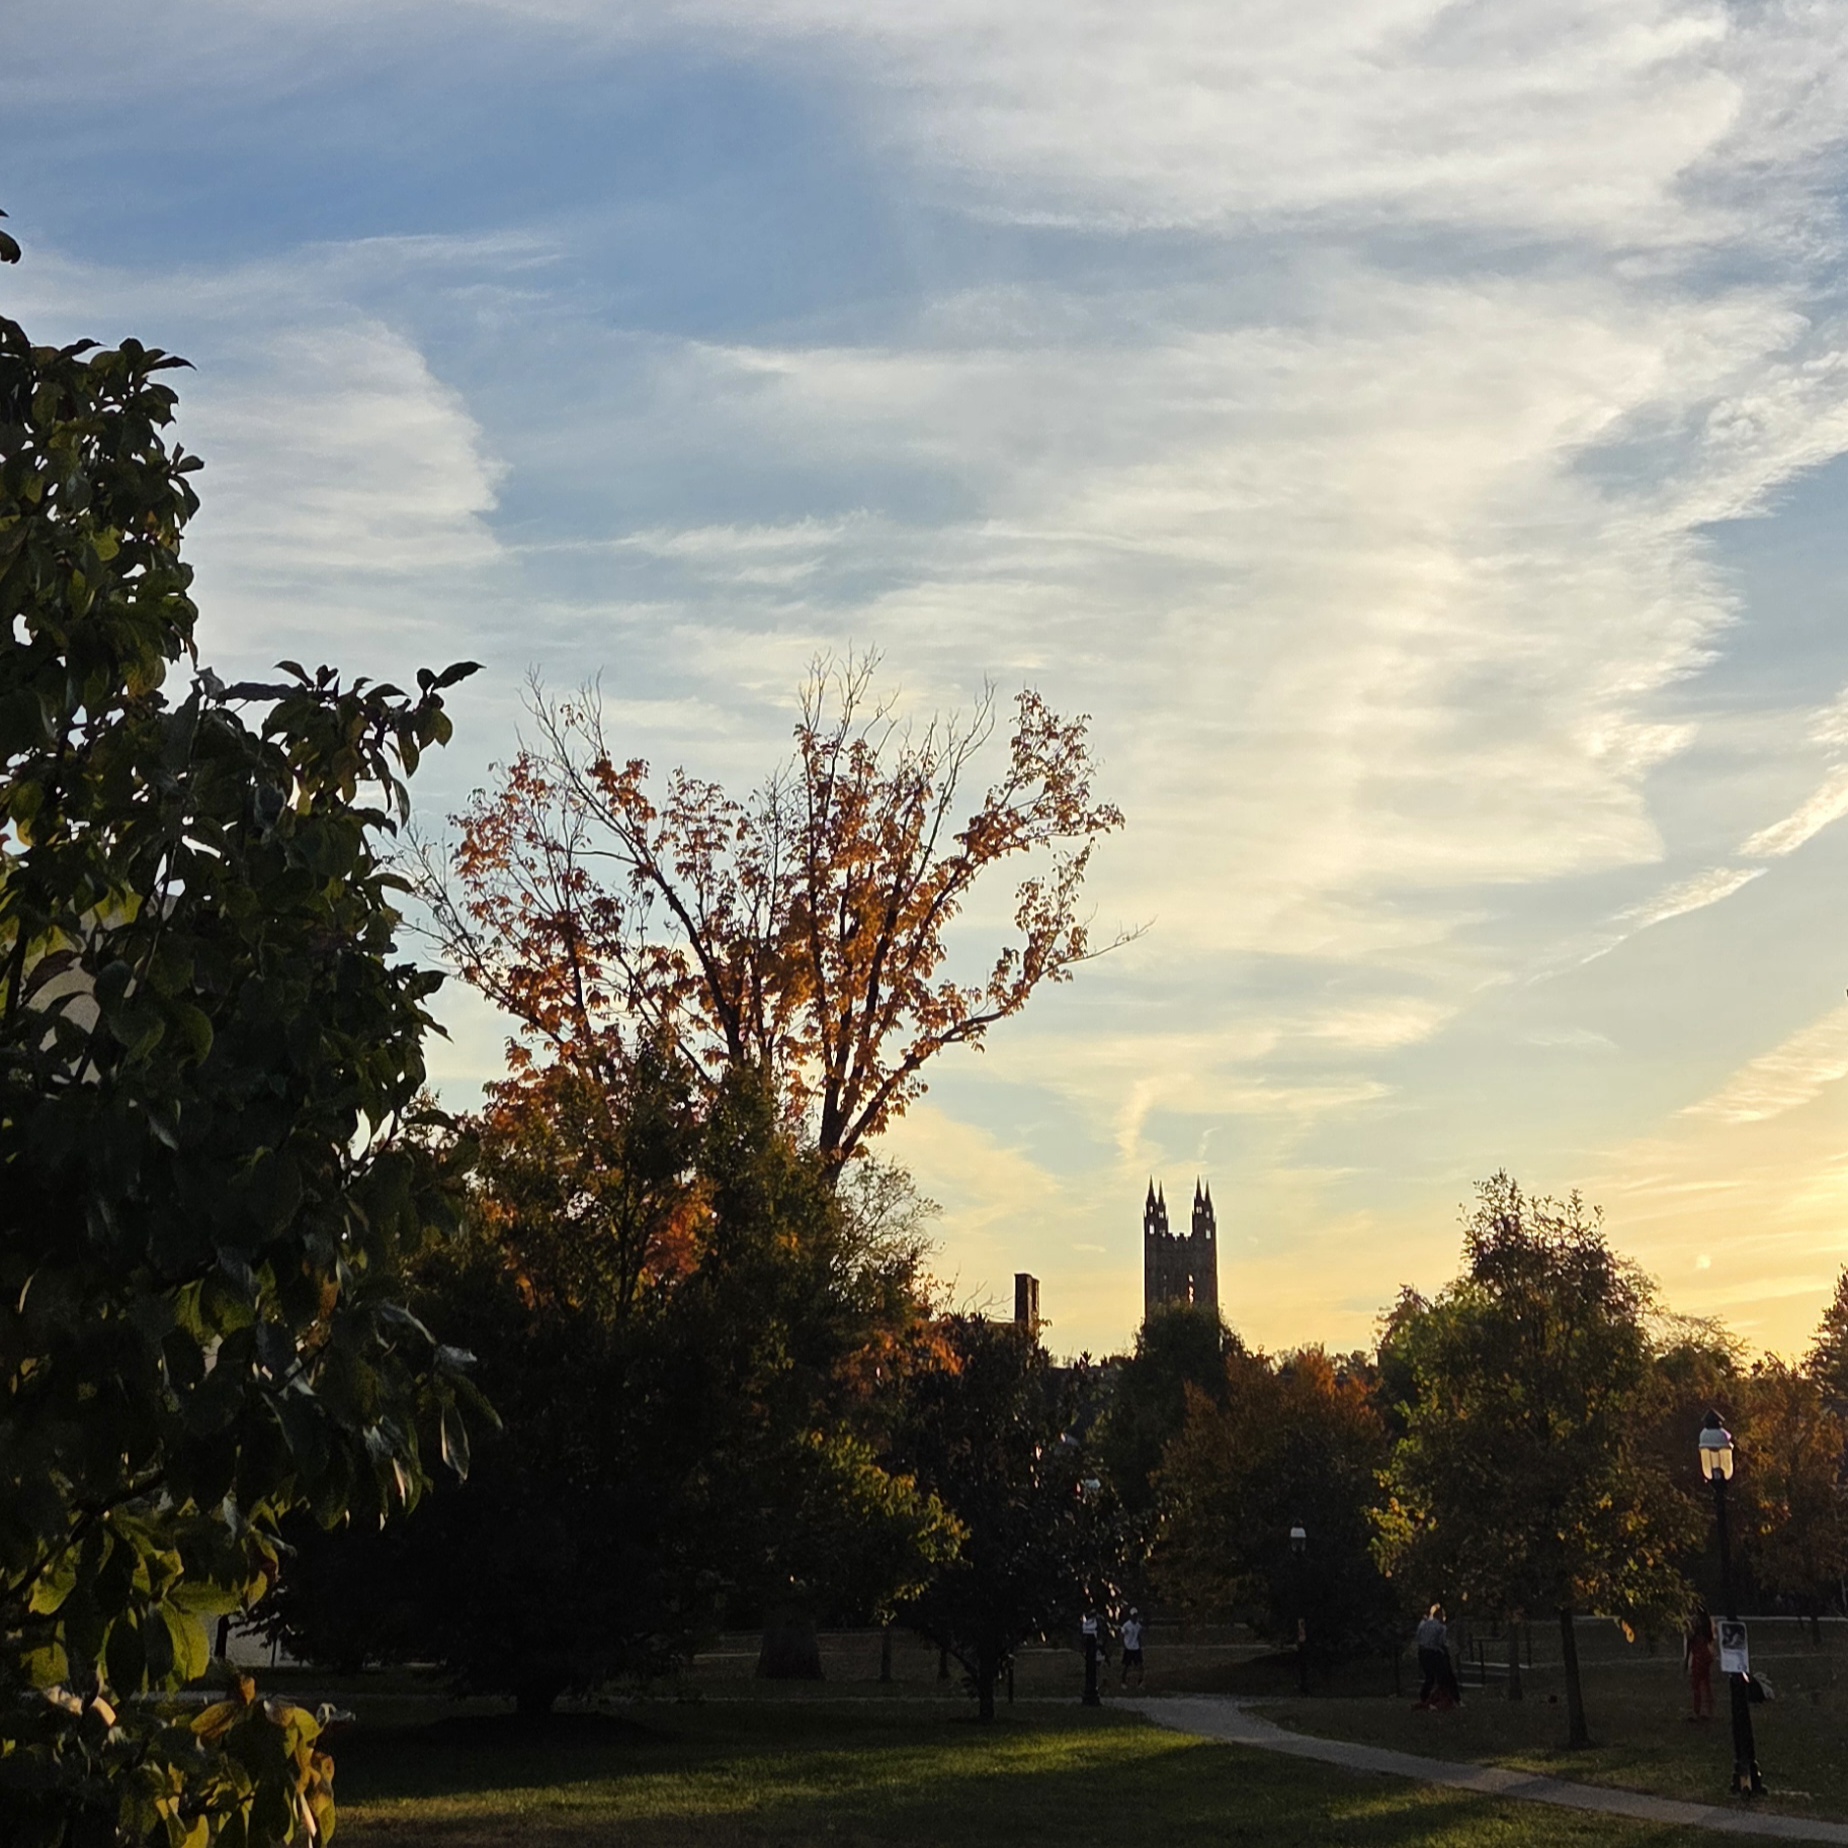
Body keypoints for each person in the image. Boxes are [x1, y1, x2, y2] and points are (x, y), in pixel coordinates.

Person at [1414, 1604, 1460, 1709]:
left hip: (1422, 1651)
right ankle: (1449, 1697)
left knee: (1429, 1676)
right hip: (1434, 1652)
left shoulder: (1423, 1625)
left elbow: (1418, 1636)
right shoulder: (1441, 1627)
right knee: (1445, 1675)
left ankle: (1424, 1697)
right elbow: (1441, 1642)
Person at [1684, 1605, 1716, 1720]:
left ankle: (1697, 1711)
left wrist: (1686, 1661)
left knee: (1696, 1684)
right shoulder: (1706, 1629)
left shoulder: (1693, 1629)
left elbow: (1689, 1645)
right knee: (1706, 1684)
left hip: (1698, 1658)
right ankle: (1709, 1710)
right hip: (1706, 1656)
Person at [1120, 1609, 1145, 1686]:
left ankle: (1140, 1681)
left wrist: (1140, 1645)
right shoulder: (1126, 1625)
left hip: (1136, 1648)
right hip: (1128, 1648)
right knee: (1126, 1666)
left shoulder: (1138, 1625)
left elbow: (1139, 1636)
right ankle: (1123, 1681)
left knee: (1140, 1665)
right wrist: (1124, 1643)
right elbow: (1122, 1635)